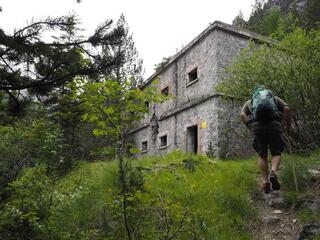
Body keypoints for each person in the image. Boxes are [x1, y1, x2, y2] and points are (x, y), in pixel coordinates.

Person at [240, 87, 290, 193]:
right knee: (276, 152)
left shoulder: (251, 102)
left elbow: (242, 114)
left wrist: (250, 126)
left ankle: (265, 181)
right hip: (275, 125)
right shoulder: (275, 99)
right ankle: (274, 172)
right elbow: (286, 109)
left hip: (258, 127)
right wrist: (287, 126)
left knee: (262, 155)